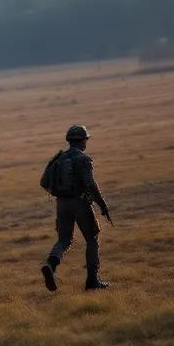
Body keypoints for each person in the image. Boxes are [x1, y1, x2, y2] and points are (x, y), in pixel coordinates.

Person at [39, 124, 111, 292]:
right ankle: (92, 281)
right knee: (92, 239)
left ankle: (51, 263)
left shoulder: (59, 158)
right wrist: (102, 204)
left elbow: (44, 182)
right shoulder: (84, 160)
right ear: (82, 141)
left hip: (61, 204)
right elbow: (91, 184)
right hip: (80, 203)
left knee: (63, 240)